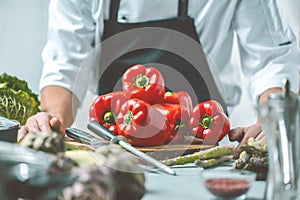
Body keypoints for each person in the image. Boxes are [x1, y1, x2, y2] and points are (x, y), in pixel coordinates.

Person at [18, 0, 300, 157]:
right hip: (115, 154)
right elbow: (64, 67)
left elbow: (271, 60)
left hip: (205, 154)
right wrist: (50, 118)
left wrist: (274, 117)